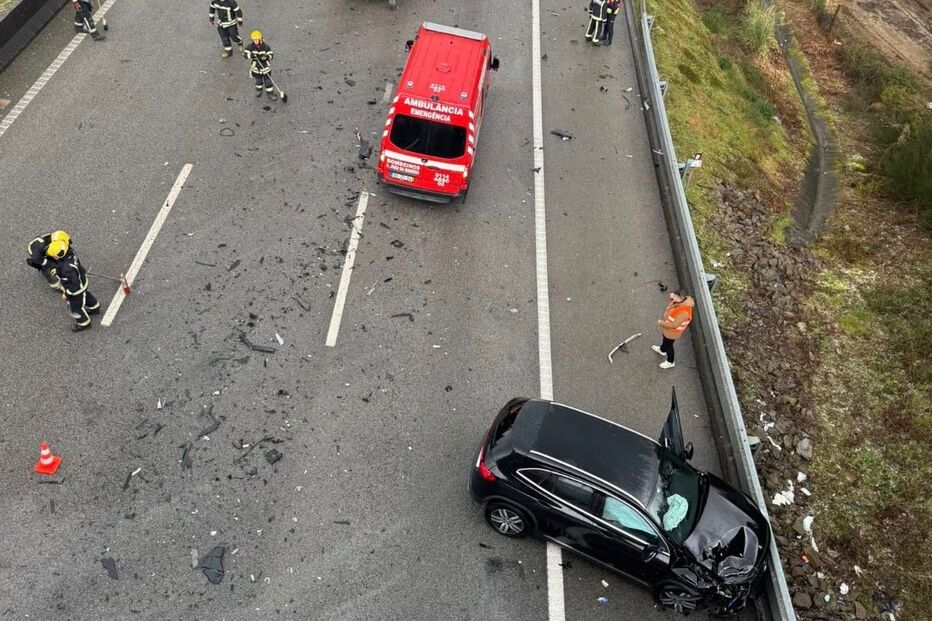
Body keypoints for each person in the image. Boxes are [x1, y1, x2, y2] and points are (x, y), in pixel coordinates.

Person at [48, 239, 100, 332]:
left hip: (76, 290)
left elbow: (74, 284)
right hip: (83, 281)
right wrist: (57, 270)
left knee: (75, 307)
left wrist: (67, 294)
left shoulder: (67, 269)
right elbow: (64, 264)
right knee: (86, 295)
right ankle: (95, 308)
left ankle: (84, 323)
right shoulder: (70, 252)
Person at [653, 290, 694, 369]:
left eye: (675, 296)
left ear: (681, 298)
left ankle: (670, 361)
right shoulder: (680, 302)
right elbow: (672, 304)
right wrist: (671, 297)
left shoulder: (684, 313)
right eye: (674, 295)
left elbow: (674, 325)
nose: (673, 297)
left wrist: (661, 323)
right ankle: (662, 350)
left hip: (672, 332)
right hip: (668, 330)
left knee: (669, 346)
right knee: (665, 341)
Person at [243, 30, 275, 99]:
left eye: (257, 40)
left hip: (265, 68)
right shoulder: (250, 47)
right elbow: (245, 54)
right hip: (256, 68)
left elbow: (271, 55)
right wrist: (251, 55)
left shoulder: (266, 47)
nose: (255, 41)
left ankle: (270, 94)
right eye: (254, 40)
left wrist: (266, 57)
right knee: (258, 81)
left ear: (260, 39)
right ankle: (259, 90)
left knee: (268, 81)